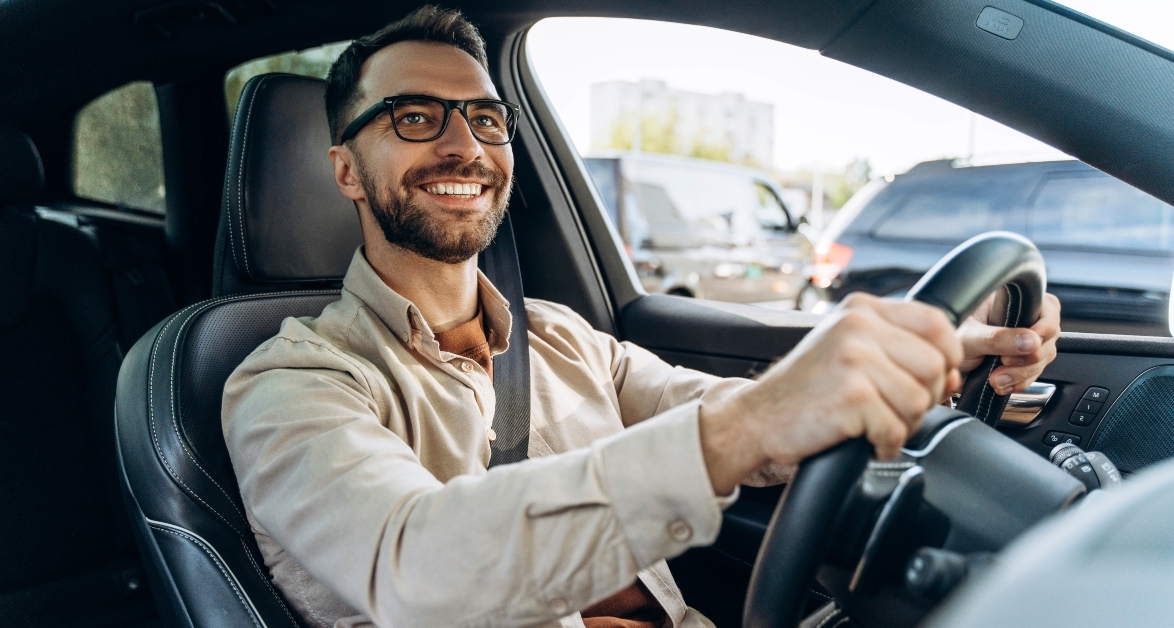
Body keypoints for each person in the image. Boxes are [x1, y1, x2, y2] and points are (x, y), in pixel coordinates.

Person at [222, 6, 1061, 628]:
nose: (465, 148)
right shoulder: (291, 383)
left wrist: (938, 371)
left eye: (486, 119)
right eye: (415, 117)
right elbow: (412, 564)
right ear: (346, 171)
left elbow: (720, 415)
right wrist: (753, 422)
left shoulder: (560, 339)